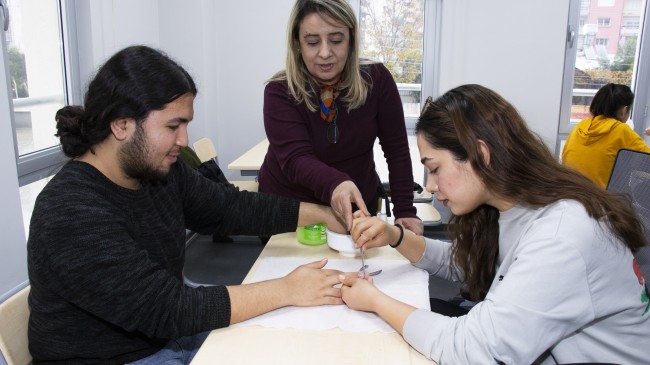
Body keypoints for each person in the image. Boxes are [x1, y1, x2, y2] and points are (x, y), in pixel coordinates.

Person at [26, 45, 349, 365]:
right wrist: (286, 290)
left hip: (166, 334)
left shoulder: (156, 170)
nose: (183, 140)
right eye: (172, 126)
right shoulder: (69, 211)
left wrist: (323, 215)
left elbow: (227, 208)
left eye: (185, 125)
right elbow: (166, 310)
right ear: (121, 124)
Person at [339, 84, 649, 364]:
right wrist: (395, 236)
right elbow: (468, 264)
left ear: (481, 154)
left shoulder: (561, 235)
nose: (430, 186)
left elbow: (473, 350)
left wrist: (375, 300)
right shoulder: (511, 207)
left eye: (434, 169)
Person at [258, 0, 423, 234]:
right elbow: (296, 159)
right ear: (297, 43)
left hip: (355, 210)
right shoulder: (279, 91)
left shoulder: (377, 80)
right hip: (292, 210)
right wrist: (337, 183)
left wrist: (405, 210)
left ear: (352, 39)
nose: (325, 53)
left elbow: (396, 150)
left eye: (336, 40)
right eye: (312, 42)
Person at [562, 83, 650, 188]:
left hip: (569, 191)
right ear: (624, 110)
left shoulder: (581, 125)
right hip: (600, 198)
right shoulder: (621, 130)